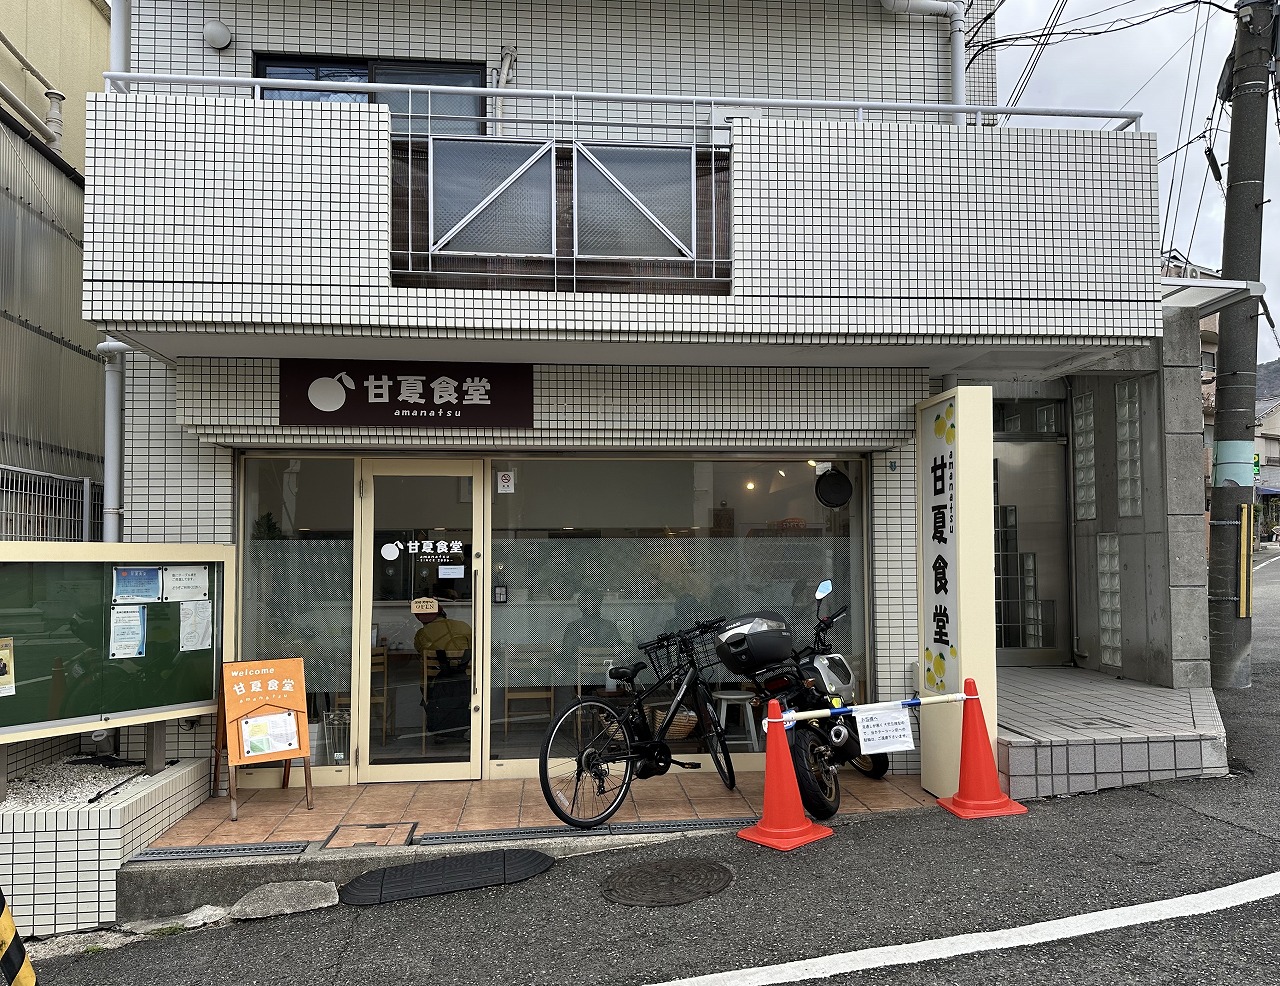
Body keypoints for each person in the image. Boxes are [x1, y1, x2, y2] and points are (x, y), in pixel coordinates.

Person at [560, 588, 623, 659]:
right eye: (586, 600)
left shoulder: (572, 626)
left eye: (593, 600)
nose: (590, 603)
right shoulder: (609, 626)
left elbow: (566, 656)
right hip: (602, 668)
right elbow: (619, 652)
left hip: (589, 668)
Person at [413, 602, 473, 676]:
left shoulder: (421, 633)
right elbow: (473, 646)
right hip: (467, 675)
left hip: (437, 679)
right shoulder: (463, 625)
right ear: (442, 613)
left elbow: (421, 652)